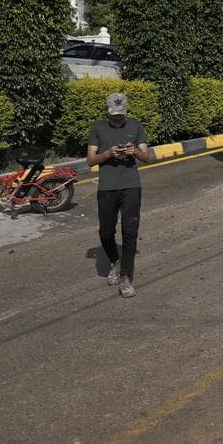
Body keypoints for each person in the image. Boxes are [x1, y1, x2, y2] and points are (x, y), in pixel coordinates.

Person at [86, 92, 151, 298]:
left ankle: (125, 277)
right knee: (105, 232)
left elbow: (147, 157)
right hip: (107, 187)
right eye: (114, 115)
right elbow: (90, 160)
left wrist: (134, 152)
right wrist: (108, 154)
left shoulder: (135, 126)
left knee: (130, 231)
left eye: (121, 115)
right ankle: (115, 261)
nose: (118, 118)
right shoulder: (97, 128)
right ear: (108, 111)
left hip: (131, 185)